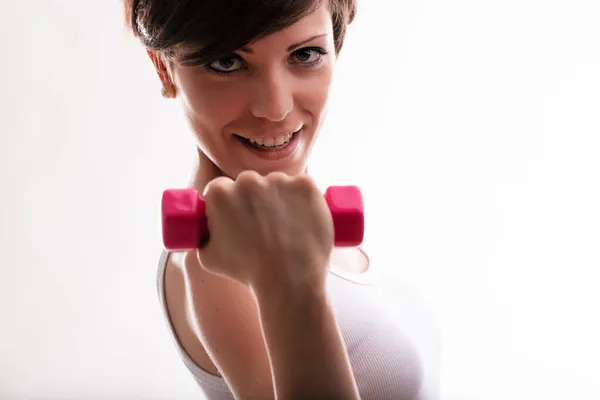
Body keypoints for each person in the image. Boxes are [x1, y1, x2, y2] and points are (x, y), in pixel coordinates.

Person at [123, 0, 439, 398]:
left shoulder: (292, 222)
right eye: (226, 62)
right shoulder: (215, 268)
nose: (276, 108)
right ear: (162, 67)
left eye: (305, 54)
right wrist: (287, 283)